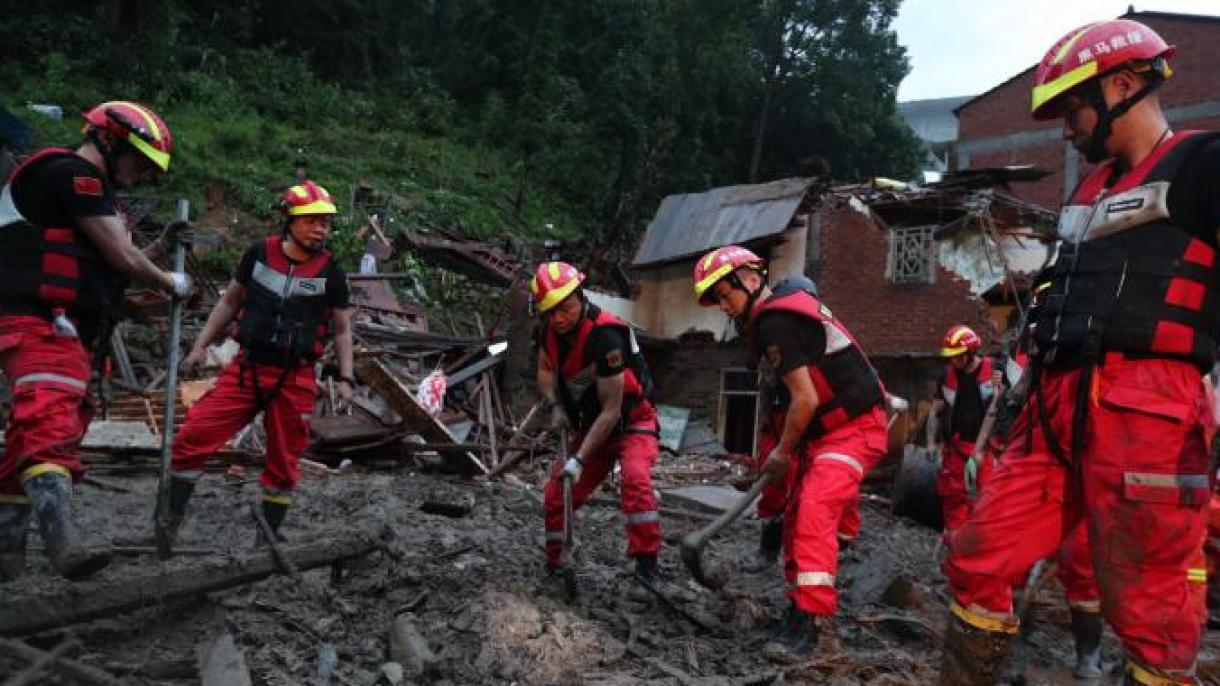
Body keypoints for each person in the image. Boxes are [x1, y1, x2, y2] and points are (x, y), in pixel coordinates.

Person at [941, 19, 1218, 685]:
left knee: (1149, 603)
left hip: (1147, 406)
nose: (1067, 127)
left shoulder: (1204, 166)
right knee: (977, 554)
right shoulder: (1086, 194)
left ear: (1123, 85)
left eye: (1073, 107)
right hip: (1052, 404)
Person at [0, 101, 190, 581]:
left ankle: (6, 562)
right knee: (49, 420)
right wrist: (171, 282)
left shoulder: (77, 190)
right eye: (139, 161)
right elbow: (124, 260)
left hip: (55, 323)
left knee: (31, 436)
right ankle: (65, 544)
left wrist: (161, 249)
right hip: (41, 320)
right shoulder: (74, 176)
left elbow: (115, 260)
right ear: (110, 140)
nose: (143, 173)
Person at [692, 245, 888, 662]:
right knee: (798, 519)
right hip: (826, 435)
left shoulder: (775, 321)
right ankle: (797, 608)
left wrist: (782, 454)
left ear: (749, 277)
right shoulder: (775, 321)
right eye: (720, 301)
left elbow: (805, 399)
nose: (726, 307)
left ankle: (813, 625)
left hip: (854, 429)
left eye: (726, 295)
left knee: (815, 508)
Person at [152, 179, 354, 545]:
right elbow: (229, 303)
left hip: (295, 378)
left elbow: (341, 331)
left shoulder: (331, 273)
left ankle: (266, 541)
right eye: (312, 220)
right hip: (248, 370)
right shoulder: (259, 254)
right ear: (288, 219)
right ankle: (169, 523)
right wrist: (200, 347)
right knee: (191, 439)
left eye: (325, 221)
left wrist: (345, 378)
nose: (320, 228)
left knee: (283, 463)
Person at [532, 261, 661, 584]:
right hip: (591, 427)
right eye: (551, 311)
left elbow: (612, 409)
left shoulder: (606, 336)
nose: (559, 318)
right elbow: (546, 371)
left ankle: (646, 563)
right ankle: (556, 561)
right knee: (556, 494)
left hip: (630, 420)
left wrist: (578, 460)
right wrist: (554, 406)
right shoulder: (548, 331)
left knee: (634, 478)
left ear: (581, 297)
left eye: (567, 308)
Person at [927, 325, 1002, 539]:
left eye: (957, 357)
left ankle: (985, 545)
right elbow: (935, 410)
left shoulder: (995, 370)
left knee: (988, 498)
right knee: (953, 496)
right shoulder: (948, 376)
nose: (953, 362)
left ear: (970, 353)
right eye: (950, 357)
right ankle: (955, 545)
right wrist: (931, 442)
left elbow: (1000, 409)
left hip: (987, 449)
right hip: (957, 449)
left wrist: (980, 451)